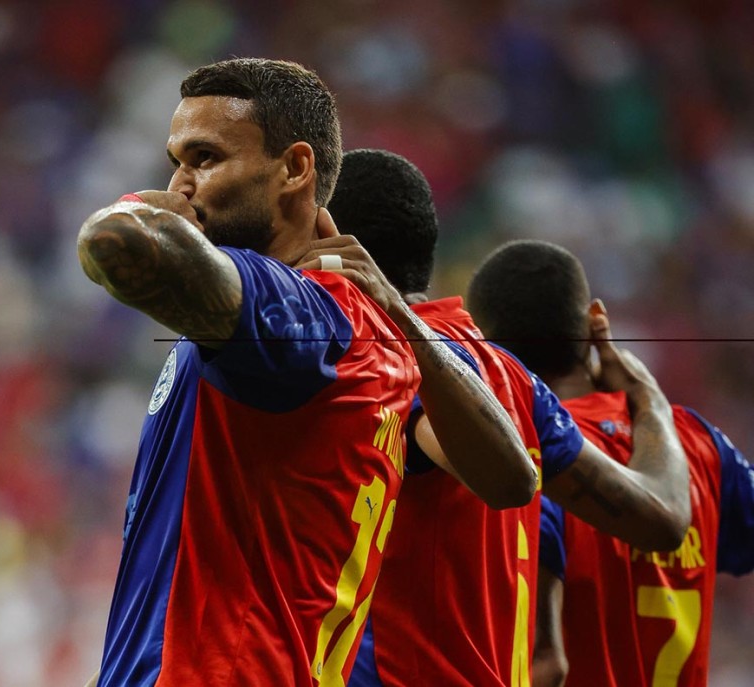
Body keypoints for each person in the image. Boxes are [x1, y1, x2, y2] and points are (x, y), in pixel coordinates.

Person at [77, 59, 531, 687]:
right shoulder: (365, 338)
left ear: (294, 169)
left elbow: (116, 242)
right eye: (176, 162)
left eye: (206, 159)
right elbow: (513, 479)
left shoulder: (297, 309)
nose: (181, 184)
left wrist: (145, 210)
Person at [296, 148, 692, 687]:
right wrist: (651, 403)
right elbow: (663, 517)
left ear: (327, 242)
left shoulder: (388, 369)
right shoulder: (511, 375)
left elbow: (482, 466)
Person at [466, 239, 754, 687]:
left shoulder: (525, 465)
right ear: (596, 320)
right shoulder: (699, 444)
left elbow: (542, 664)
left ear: (487, 350)